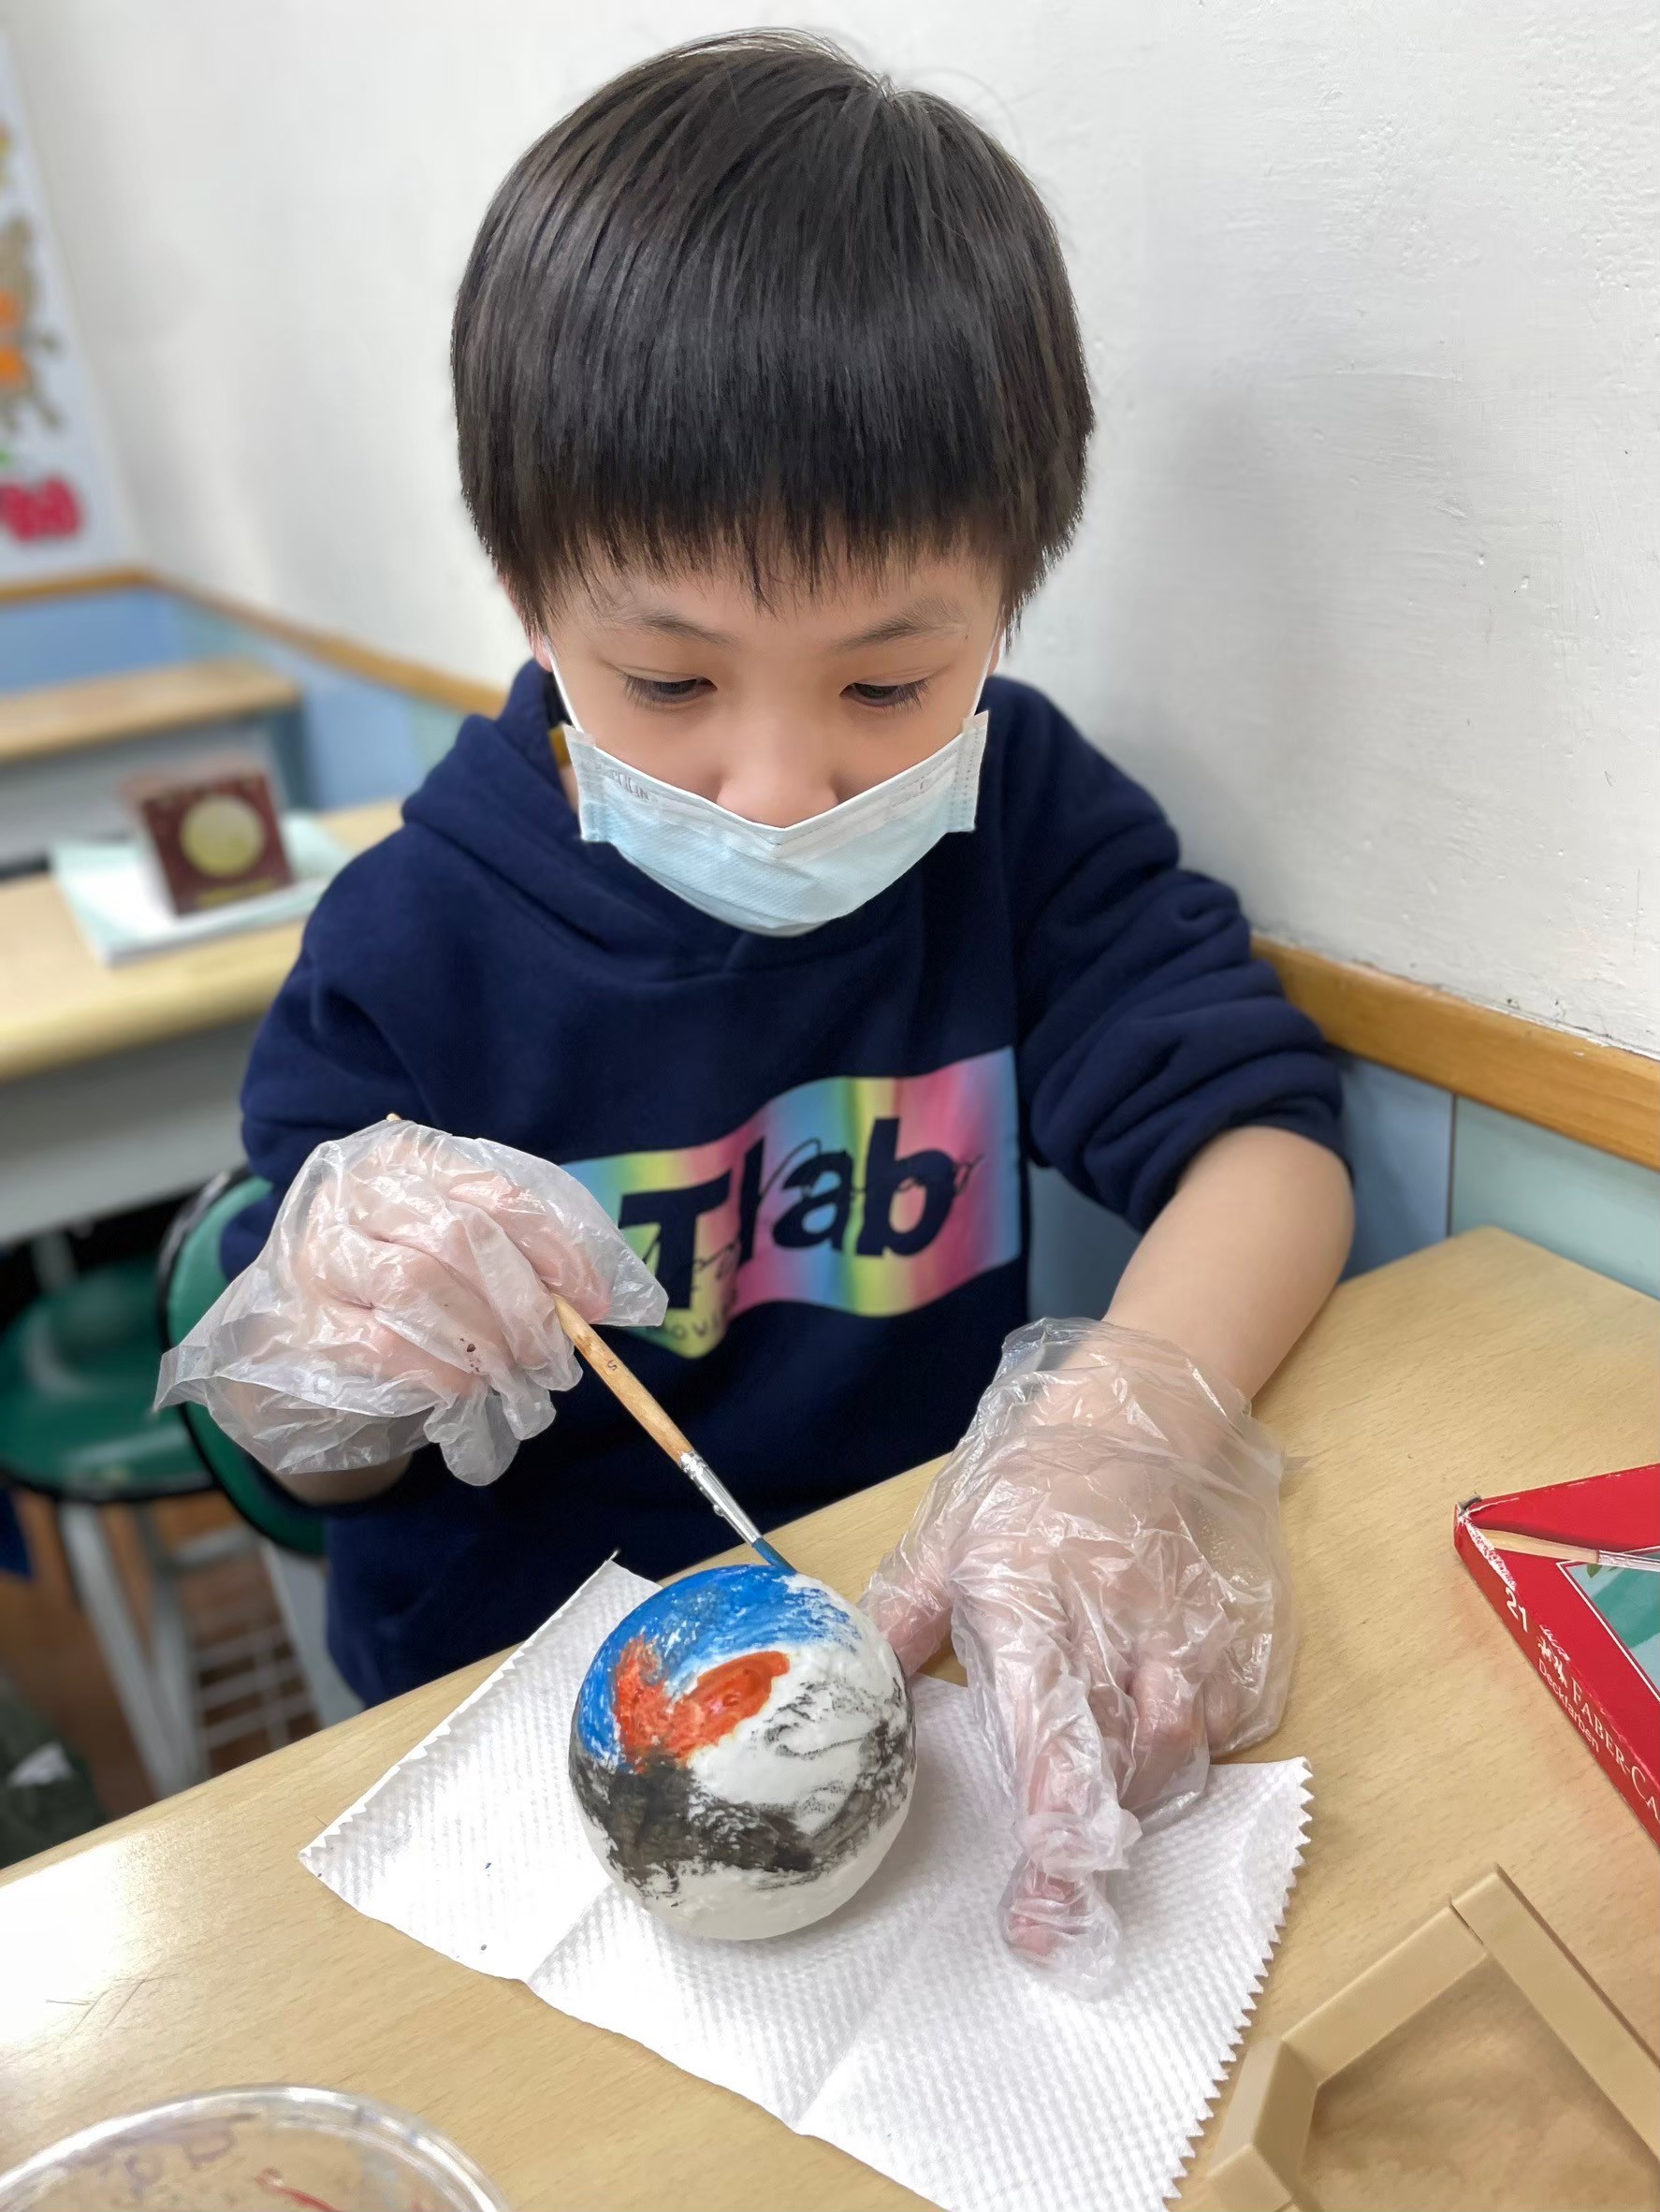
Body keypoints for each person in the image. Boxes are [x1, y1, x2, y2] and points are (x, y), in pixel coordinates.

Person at [203, 33, 1352, 1983]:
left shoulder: (1017, 818)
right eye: (666, 682)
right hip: (507, 1757)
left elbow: (1264, 1144)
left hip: (918, 1687)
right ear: (527, 595)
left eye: (887, 684)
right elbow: (300, 1453)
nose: (774, 785)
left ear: (1005, 606)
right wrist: (338, 1336)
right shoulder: (417, 938)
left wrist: (1108, 1444)